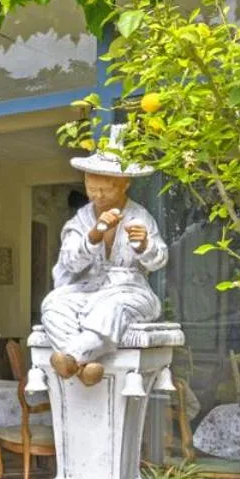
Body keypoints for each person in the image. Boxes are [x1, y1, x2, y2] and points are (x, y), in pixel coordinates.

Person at [41, 142, 167, 386]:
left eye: (105, 190)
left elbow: (160, 260)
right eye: (91, 189)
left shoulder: (139, 217)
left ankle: (72, 359)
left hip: (130, 290)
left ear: (124, 185)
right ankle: (85, 368)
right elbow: (70, 261)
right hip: (88, 289)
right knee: (54, 304)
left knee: (111, 309)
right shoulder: (83, 217)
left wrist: (144, 246)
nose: (97, 196)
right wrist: (94, 235)